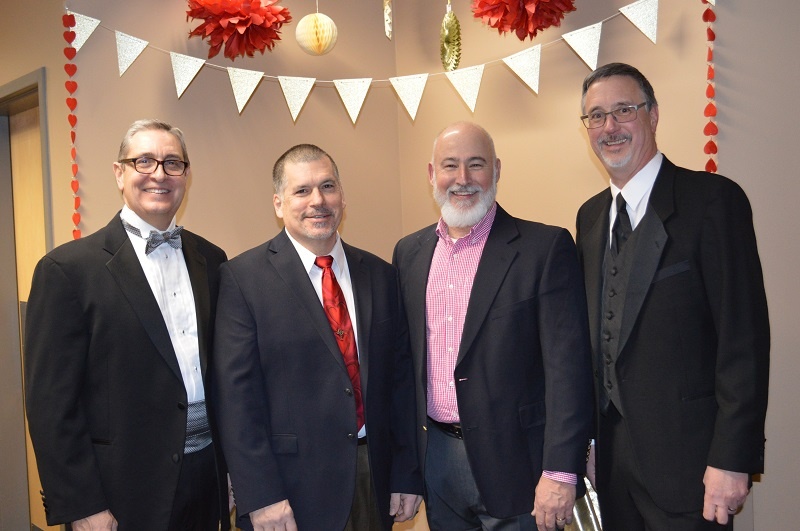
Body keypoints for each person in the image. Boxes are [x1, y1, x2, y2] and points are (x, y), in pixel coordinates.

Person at [576, 62, 770, 530]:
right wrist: (588, 445)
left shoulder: (712, 202)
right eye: (596, 116)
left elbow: (743, 341)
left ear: (654, 114)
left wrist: (732, 459)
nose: (610, 127)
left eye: (624, 110)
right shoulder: (589, 218)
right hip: (612, 471)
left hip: (692, 469)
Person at [24, 119, 230, 530]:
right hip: (119, 495)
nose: (159, 174)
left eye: (173, 163)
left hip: (207, 481)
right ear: (120, 173)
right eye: (144, 161)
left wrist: (234, 473)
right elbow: (51, 405)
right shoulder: (66, 270)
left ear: (186, 176)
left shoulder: (214, 259)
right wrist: (81, 505)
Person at [392, 121, 594, 531]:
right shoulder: (408, 253)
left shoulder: (544, 248)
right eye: (450, 165)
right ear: (432, 174)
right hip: (437, 461)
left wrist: (560, 470)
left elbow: (567, 371)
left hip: (520, 467)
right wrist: (405, 466)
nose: (462, 179)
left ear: (497, 171)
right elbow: (401, 370)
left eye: (476, 164)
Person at [212, 144, 423, 531]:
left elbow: (402, 381)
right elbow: (237, 401)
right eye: (302, 190)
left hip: (374, 478)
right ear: (279, 203)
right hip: (289, 491)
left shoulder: (379, 274)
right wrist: (260, 496)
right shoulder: (243, 279)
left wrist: (407, 473)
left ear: (343, 196)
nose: (318, 201)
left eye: (327, 186)